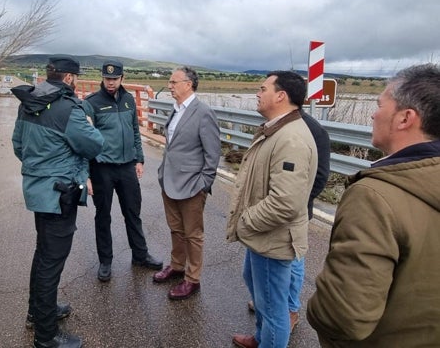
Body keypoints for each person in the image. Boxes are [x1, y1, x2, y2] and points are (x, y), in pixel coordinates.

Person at [307, 63, 440, 347]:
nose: (372, 113)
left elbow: (343, 315)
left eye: (380, 105)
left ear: (405, 118)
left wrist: (314, 310)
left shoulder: (374, 195)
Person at [12, 55, 104, 348]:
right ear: (68, 78)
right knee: (51, 262)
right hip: (60, 193)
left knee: (42, 255)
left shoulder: (29, 103)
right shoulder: (69, 110)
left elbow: (18, 145)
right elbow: (94, 144)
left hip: (38, 191)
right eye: (75, 77)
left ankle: (38, 312)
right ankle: (46, 336)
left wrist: (40, 168)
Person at [226, 71, 317, 348]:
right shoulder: (277, 128)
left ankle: (269, 340)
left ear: (281, 96)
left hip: (272, 238)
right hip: (262, 235)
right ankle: (260, 337)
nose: (257, 93)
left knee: (274, 307)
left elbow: (285, 203)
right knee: (258, 289)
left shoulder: (291, 139)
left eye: (263, 88)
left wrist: (245, 221)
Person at [248, 109, 331, 333]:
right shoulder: (274, 125)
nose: (259, 94)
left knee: (293, 266)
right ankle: (268, 304)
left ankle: (290, 310)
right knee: (256, 269)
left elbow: (321, 176)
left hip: (293, 217)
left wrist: (295, 205)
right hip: (266, 213)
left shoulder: (313, 130)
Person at [82, 60, 162, 282]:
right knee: (103, 216)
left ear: (122, 78)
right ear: (102, 78)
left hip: (127, 166)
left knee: (133, 213)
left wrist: (139, 158)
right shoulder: (91, 103)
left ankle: (140, 255)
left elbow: (135, 131)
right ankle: (105, 261)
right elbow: (85, 139)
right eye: (107, 79)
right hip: (102, 169)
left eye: (114, 79)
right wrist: (87, 174)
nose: (110, 83)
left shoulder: (128, 100)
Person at [152, 66, 221, 300]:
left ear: (188, 84)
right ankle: (177, 265)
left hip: (192, 185)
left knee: (193, 234)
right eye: (169, 82)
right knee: (176, 229)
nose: (169, 86)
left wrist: (204, 183)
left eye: (173, 82)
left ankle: (192, 279)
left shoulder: (203, 113)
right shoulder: (176, 109)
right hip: (169, 181)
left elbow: (213, 154)